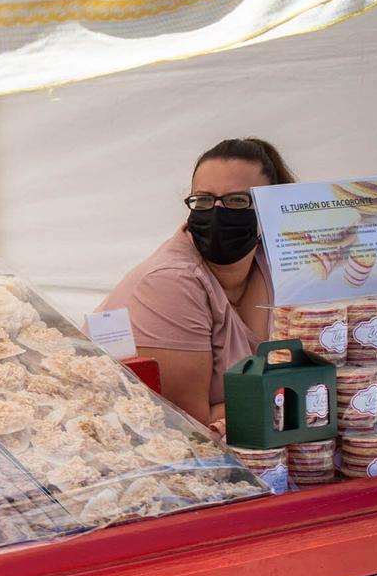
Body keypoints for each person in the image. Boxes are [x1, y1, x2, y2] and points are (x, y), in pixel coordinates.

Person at [99, 137, 295, 428]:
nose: (217, 212)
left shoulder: (276, 261)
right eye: (203, 200)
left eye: (237, 200)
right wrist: (293, 398)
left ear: (270, 210)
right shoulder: (170, 282)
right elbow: (188, 422)